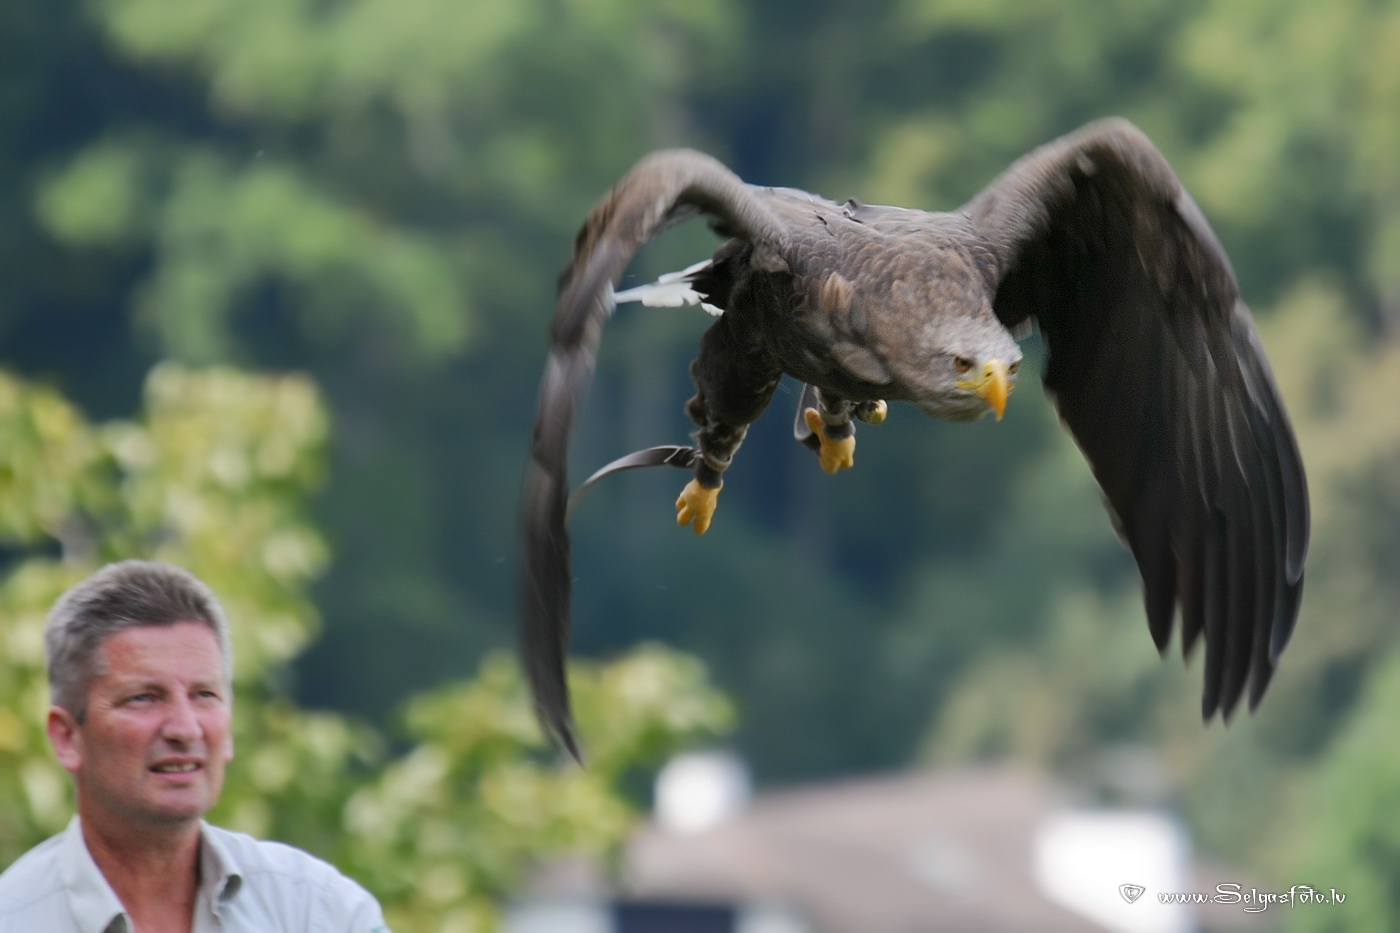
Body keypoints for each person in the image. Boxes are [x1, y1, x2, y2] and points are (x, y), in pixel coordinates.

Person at [0, 560, 390, 932]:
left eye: (204, 694)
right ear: (67, 737)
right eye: (143, 697)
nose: (185, 729)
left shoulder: (319, 911)